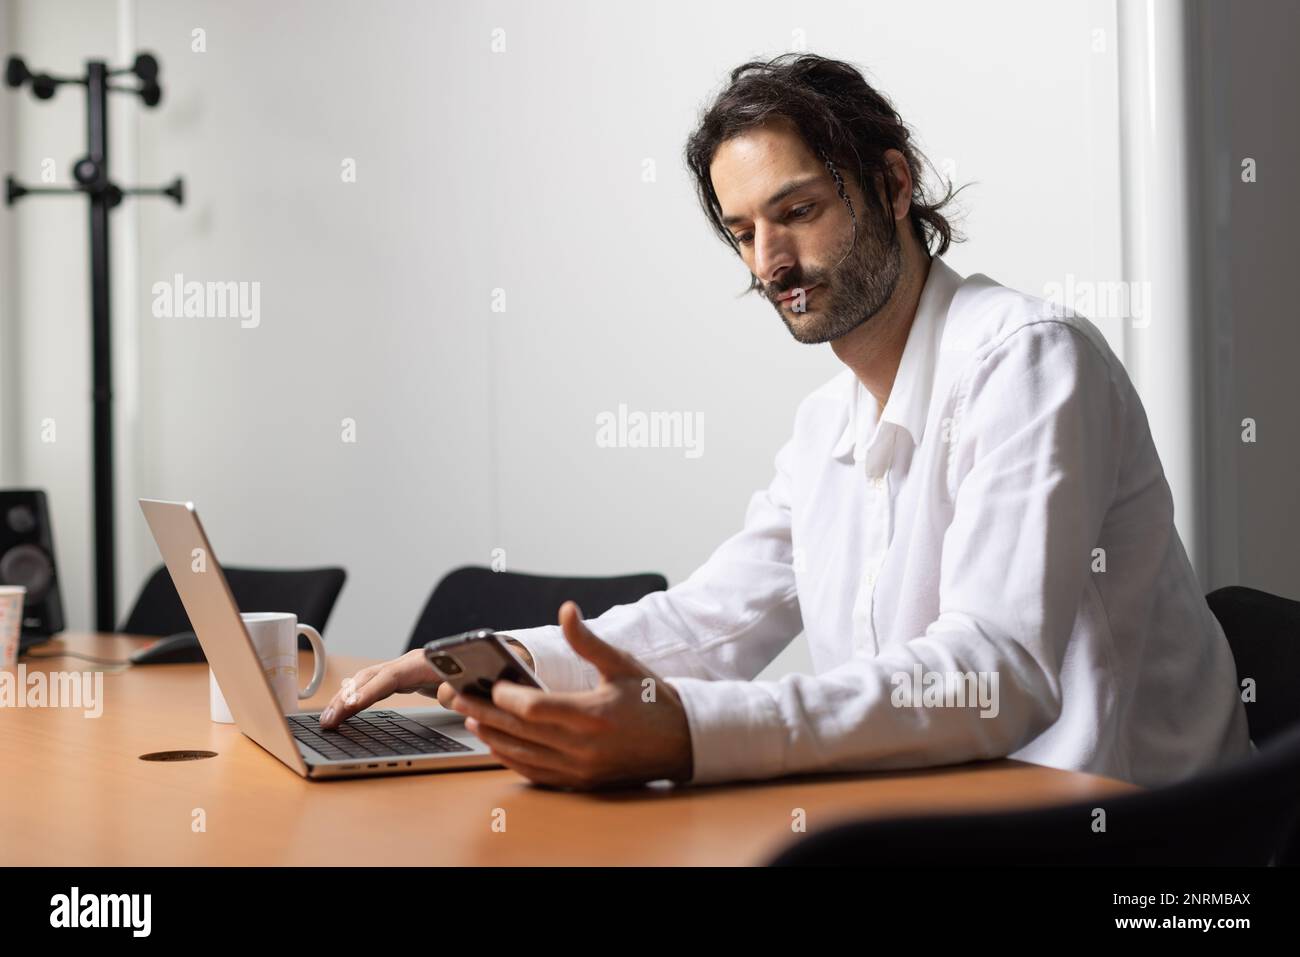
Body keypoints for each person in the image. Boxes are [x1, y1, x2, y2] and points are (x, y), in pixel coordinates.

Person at [320, 54, 1250, 791]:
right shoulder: (824, 427)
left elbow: (994, 670)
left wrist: (691, 733)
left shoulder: (1029, 359)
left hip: (1140, 849)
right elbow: (714, 625)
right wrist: (498, 660)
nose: (770, 262)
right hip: (949, 821)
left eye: (795, 211)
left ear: (891, 185)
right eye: (740, 230)